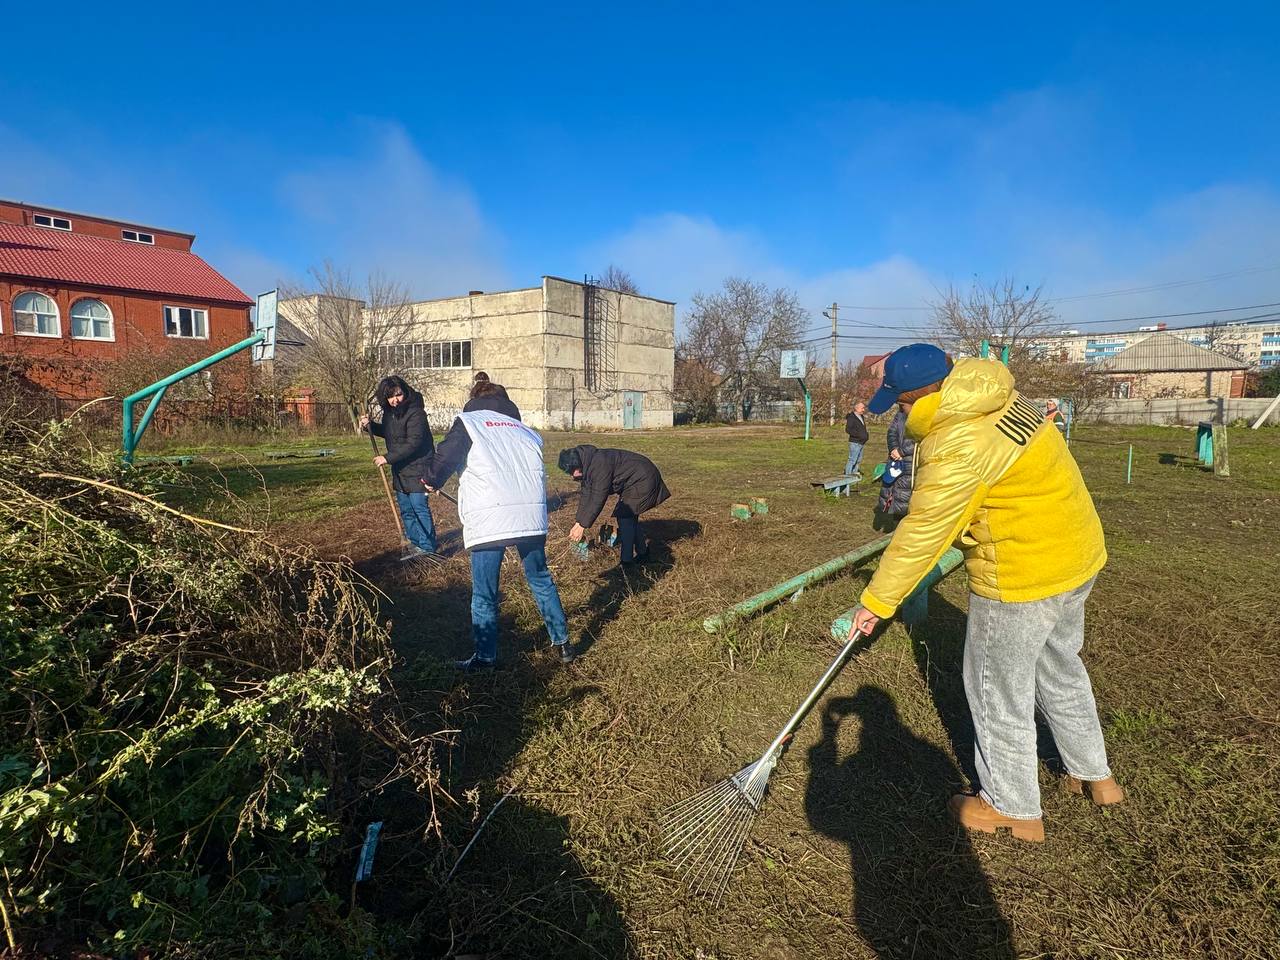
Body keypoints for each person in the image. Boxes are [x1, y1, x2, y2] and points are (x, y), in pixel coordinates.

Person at [848, 343, 1121, 842]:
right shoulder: (1003, 396)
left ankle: (1012, 806)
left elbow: (924, 530)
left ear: (915, 396)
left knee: (997, 688)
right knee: (1060, 664)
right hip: (1076, 554)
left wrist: (876, 601)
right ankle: (1093, 774)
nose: (902, 410)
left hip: (1022, 575)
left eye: (901, 400)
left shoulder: (955, 439)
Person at [422, 381, 573, 670]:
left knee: (484, 594)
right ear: (505, 401)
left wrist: (431, 479)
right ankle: (563, 643)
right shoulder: (526, 431)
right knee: (540, 579)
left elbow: (444, 458)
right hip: (531, 517)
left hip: (491, 518)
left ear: (474, 400)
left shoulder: (470, 422)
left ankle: (485, 658)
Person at [359, 376, 437, 558]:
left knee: (419, 507)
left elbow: (414, 443)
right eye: (390, 397)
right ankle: (415, 543)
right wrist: (369, 426)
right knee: (406, 509)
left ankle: (428, 547)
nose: (395, 400)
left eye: (398, 395)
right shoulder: (390, 413)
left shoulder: (416, 413)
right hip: (401, 469)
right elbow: (389, 433)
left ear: (405, 392)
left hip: (419, 466)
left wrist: (387, 458)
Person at [557, 445, 670, 565]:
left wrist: (583, 526)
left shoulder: (599, 465)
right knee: (629, 518)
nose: (571, 476)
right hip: (633, 481)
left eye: (570, 472)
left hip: (643, 478)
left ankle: (627, 561)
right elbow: (586, 495)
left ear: (576, 464)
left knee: (625, 518)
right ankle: (643, 553)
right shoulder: (587, 464)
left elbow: (598, 497)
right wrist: (578, 522)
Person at [873, 407, 917, 530]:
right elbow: (891, 431)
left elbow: (919, 439)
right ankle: (894, 531)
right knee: (896, 498)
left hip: (913, 464)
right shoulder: (900, 414)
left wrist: (902, 451)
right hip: (896, 463)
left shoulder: (923, 413)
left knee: (909, 500)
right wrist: (894, 448)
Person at [844, 401, 869, 477]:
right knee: (852, 459)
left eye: (864, 408)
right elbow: (848, 429)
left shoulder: (861, 417)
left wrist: (866, 435)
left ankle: (854, 473)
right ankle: (847, 475)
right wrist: (859, 435)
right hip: (855, 442)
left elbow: (862, 428)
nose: (863, 410)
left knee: (858, 460)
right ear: (857, 408)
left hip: (861, 442)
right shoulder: (851, 417)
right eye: (862, 408)